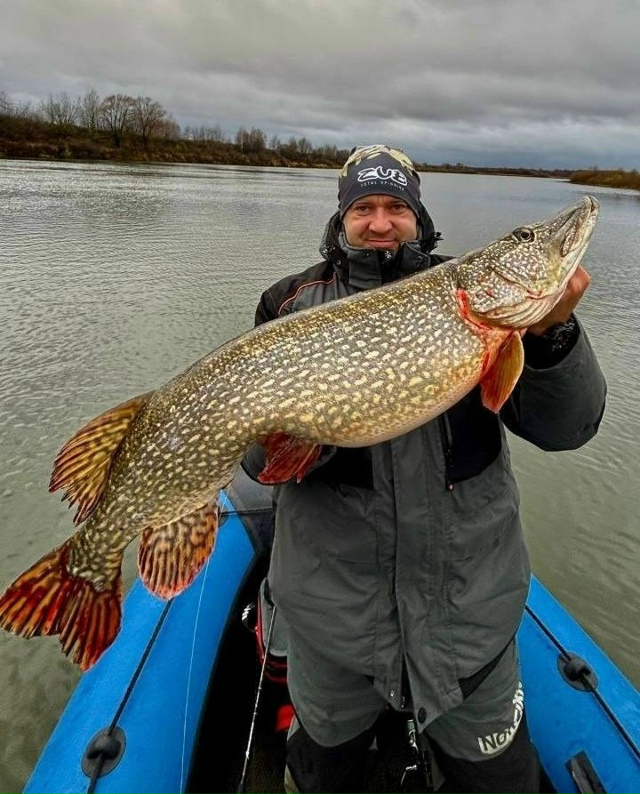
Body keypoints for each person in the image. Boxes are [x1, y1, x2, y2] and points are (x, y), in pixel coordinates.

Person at [242, 145, 607, 793]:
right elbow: (255, 459)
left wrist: (553, 334)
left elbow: (567, 429)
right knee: (327, 775)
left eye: (396, 207)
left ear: (418, 216)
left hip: (468, 623)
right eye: (364, 208)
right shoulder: (289, 304)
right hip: (335, 628)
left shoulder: (479, 304)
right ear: (343, 217)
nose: (381, 223)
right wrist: (310, 430)